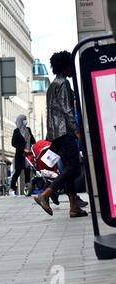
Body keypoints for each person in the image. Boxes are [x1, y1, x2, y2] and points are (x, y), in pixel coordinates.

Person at [34, 51, 88, 218]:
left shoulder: (52, 85)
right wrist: (77, 131)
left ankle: (73, 206)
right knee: (73, 168)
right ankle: (46, 194)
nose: (73, 69)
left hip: (55, 133)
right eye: (71, 66)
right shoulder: (64, 84)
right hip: (65, 132)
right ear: (65, 67)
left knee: (69, 167)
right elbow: (67, 111)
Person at [9, 115, 35, 196]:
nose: (25, 121)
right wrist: (23, 149)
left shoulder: (28, 129)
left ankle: (27, 188)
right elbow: (13, 143)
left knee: (28, 171)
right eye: (24, 120)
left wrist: (34, 147)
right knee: (18, 171)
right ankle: (12, 189)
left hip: (28, 154)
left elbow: (33, 140)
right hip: (20, 155)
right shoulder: (16, 131)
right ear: (20, 121)